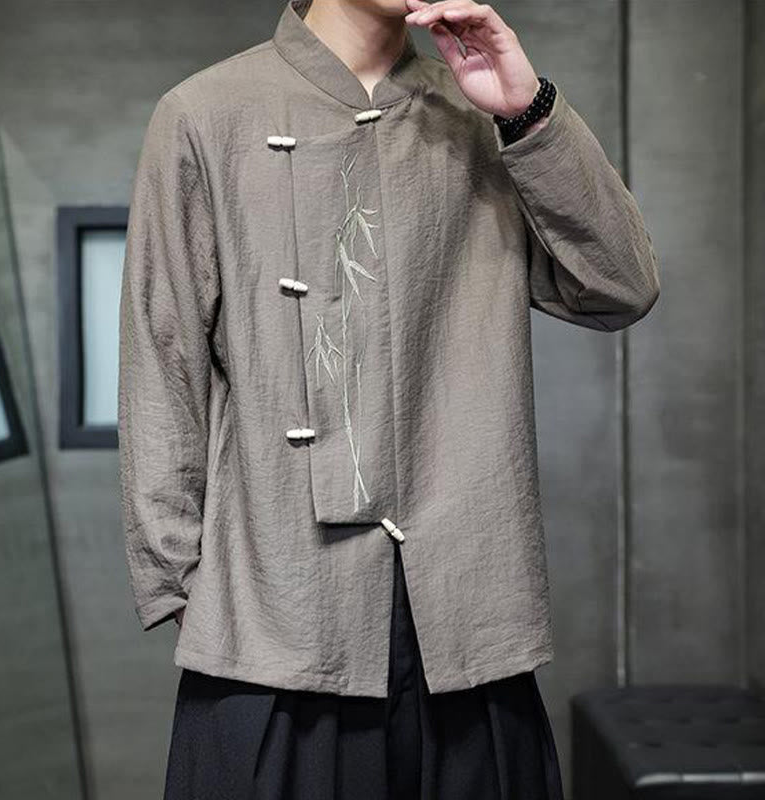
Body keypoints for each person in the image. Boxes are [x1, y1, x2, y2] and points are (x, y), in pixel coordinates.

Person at [117, 0, 660, 797]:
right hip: (278, 631)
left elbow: (620, 286)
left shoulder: (479, 119)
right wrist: (189, 583)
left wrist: (526, 109)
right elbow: (161, 357)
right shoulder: (206, 114)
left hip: (468, 627)